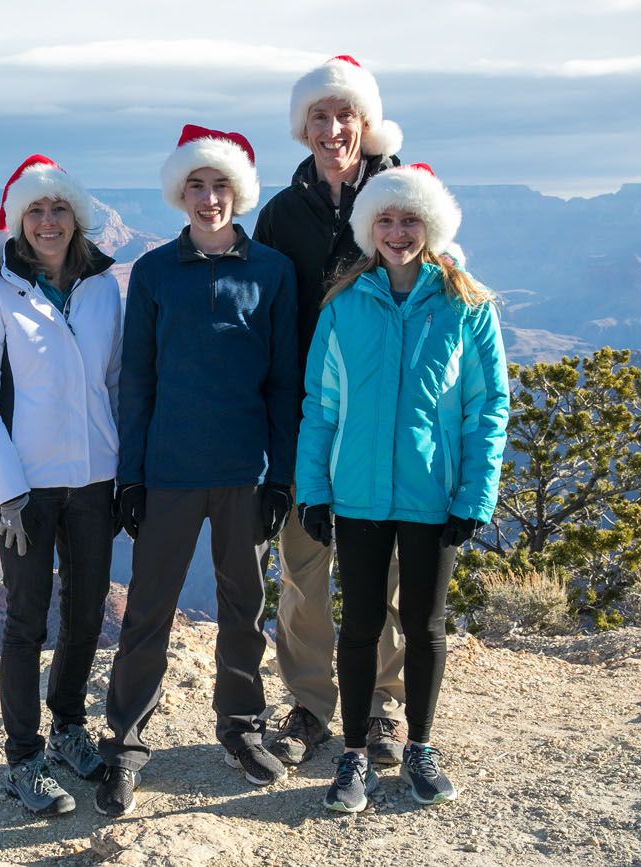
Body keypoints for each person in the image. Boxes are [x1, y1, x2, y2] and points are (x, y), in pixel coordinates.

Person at [95, 125, 299, 818]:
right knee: (148, 610)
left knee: (245, 605)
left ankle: (241, 727)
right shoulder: (154, 272)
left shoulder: (271, 271)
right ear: (180, 193)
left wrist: (282, 476)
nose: (209, 198)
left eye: (220, 185)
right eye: (196, 186)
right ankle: (123, 743)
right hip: (169, 472)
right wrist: (130, 477)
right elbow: (137, 382)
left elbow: (283, 382)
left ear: (238, 191)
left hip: (244, 470)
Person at [295, 163, 509, 812]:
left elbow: (488, 405)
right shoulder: (343, 305)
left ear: (431, 226)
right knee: (359, 624)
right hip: (356, 493)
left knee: (424, 624)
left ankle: (419, 747)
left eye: (409, 219)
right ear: (369, 228)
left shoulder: (466, 308)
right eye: (385, 219)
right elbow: (321, 405)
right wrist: (312, 489)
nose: (396, 231)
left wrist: (475, 495)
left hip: (432, 495)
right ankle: (354, 753)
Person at [252, 54, 409, 767]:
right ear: (303, 126)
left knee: (383, 566)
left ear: (365, 122)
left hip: (380, 412)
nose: (333, 127)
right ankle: (312, 704)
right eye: (319, 115)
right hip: (306, 417)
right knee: (304, 563)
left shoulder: (403, 194)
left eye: (345, 113)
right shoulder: (281, 214)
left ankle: (384, 704)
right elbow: (263, 318)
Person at [0, 154, 123, 816]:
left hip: (94, 480)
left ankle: (68, 729)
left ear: (74, 216)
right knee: (26, 619)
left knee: (86, 613)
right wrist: (8, 489)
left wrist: (124, 473)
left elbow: (114, 383)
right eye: (35, 210)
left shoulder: (104, 288)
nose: (48, 221)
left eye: (58, 209)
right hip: (25, 486)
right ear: (17, 221)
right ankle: (23, 759)